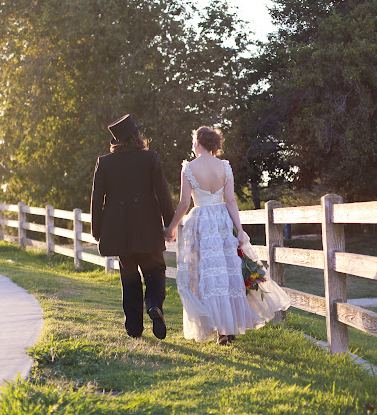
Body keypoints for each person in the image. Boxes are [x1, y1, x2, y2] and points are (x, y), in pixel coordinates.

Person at [164, 126, 290, 344]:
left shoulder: (189, 168)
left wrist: (172, 227)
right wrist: (239, 230)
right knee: (227, 273)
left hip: (202, 222)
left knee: (209, 274)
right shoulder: (224, 167)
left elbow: (185, 203)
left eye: (193, 141)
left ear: (198, 143)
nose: (192, 145)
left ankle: (220, 328)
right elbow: (231, 201)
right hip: (222, 220)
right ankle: (227, 329)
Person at [90, 114, 175, 340]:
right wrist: (170, 224)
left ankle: (134, 327)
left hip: (119, 230)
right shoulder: (150, 158)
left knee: (129, 277)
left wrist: (97, 230)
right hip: (147, 226)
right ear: (136, 136)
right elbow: (163, 194)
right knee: (155, 270)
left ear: (116, 141)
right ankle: (154, 305)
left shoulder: (105, 162)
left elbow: (97, 199)